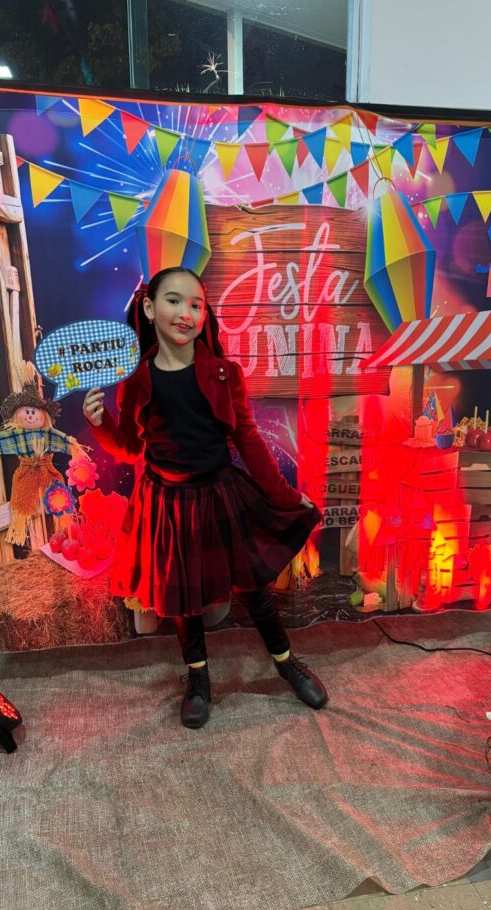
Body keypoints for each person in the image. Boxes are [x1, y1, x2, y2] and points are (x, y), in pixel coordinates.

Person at [83, 266, 328, 729]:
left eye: (196, 304)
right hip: (165, 505)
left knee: (254, 590)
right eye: (174, 300)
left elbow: (248, 441)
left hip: (218, 496)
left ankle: (286, 663)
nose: (186, 312)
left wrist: (286, 496)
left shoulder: (222, 373)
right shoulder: (137, 380)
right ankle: (198, 678)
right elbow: (132, 448)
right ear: (150, 308)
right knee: (182, 599)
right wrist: (102, 426)